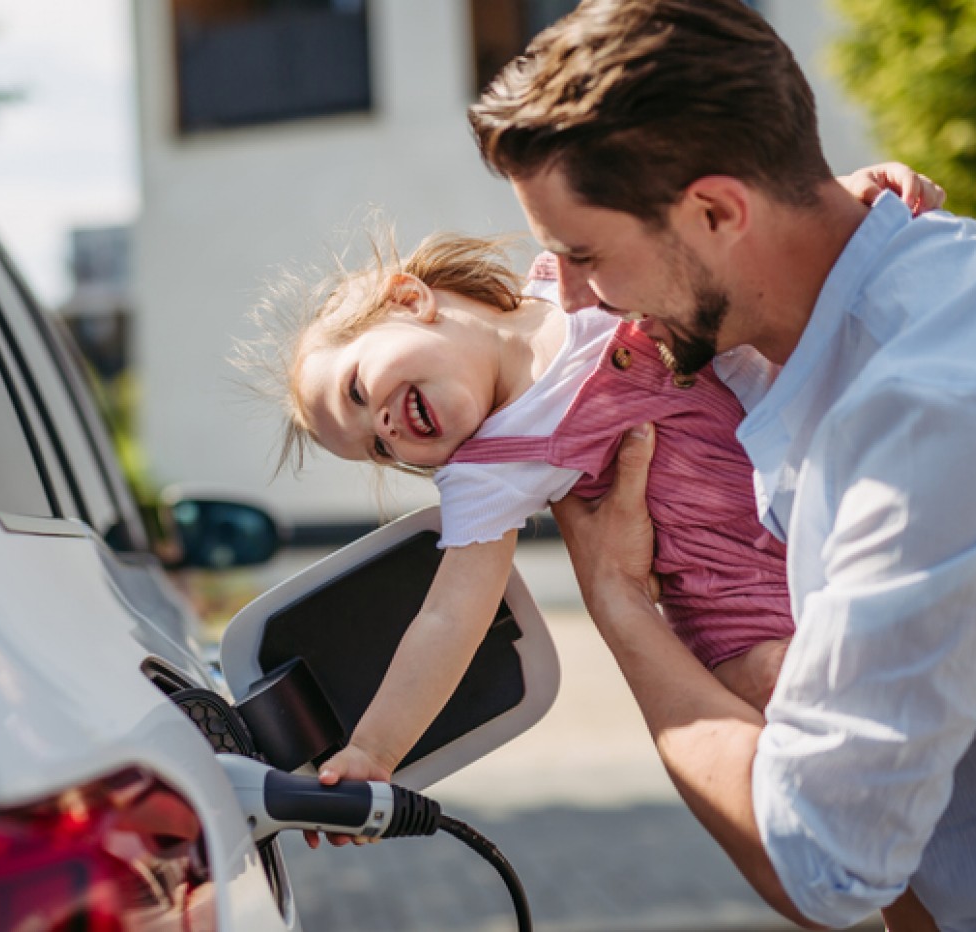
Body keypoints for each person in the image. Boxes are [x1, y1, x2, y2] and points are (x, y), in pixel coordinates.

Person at [468, 1, 976, 930]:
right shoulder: (838, 309)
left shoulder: (942, 411)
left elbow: (820, 861)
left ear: (717, 210)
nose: (574, 298)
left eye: (585, 255)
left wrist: (620, 604)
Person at [248, 162, 940, 793]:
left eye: (359, 392)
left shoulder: (576, 269)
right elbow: (449, 618)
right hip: (740, 613)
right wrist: (374, 749)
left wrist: (841, 199)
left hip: (838, 513)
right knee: (856, 760)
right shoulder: (489, 466)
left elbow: (724, 247)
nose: (386, 430)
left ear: (406, 299)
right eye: (375, 449)